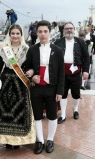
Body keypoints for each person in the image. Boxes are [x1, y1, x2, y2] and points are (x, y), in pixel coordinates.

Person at [0, 24, 36, 149]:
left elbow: (31, 66)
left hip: (20, 84)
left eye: (18, 33)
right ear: (9, 35)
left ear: (21, 35)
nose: (15, 36)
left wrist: (32, 72)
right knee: (3, 110)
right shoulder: (4, 49)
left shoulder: (27, 49)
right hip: (5, 82)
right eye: (13, 33)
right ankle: (6, 139)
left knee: (19, 110)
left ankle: (17, 140)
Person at [25, 20, 65, 154]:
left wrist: (60, 90)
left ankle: (50, 140)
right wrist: (31, 75)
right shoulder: (32, 50)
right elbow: (27, 67)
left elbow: (61, 73)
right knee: (37, 116)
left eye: (45, 31)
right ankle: (40, 141)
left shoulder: (58, 50)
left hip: (51, 88)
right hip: (36, 88)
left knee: (52, 116)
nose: (43, 34)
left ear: (49, 32)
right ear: (37, 33)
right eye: (40, 31)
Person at [54, 22, 89, 124]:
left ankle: (75, 110)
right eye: (66, 29)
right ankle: (63, 114)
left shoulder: (80, 42)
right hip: (62, 74)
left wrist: (85, 70)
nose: (69, 30)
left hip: (76, 73)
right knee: (62, 94)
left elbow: (86, 57)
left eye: (71, 28)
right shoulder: (58, 42)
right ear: (63, 30)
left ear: (74, 30)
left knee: (76, 94)